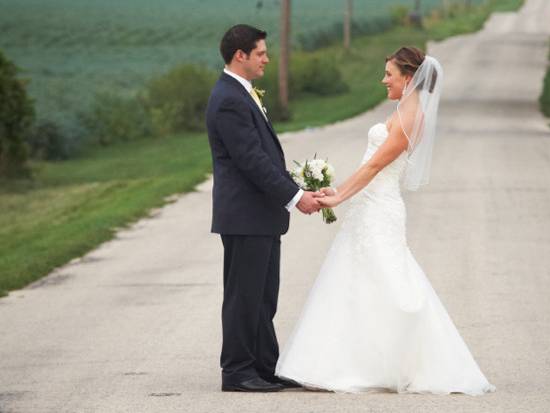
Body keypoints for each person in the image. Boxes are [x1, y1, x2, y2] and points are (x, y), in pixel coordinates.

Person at [275, 46, 497, 395]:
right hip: (369, 203)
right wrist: (339, 188)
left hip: (381, 208)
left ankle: (401, 360)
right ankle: (349, 358)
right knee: (357, 280)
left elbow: (377, 166)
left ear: (408, 79)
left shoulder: (412, 118)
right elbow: (370, 165)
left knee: (390, 281)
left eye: (389, 75)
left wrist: (339, 197)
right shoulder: (399, 109)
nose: (384, 80)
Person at [205, 24, 323, 393]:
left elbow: (264, 157)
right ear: (240, 55)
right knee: (244, 295)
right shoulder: (228, 98)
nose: (267, 59)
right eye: (261, 53)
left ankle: (264, 367)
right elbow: (251, 161)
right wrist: (294, 197)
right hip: (245, 216)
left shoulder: (243, 94)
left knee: (263, 295)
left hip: (261, 216)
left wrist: (295, 185)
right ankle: (237, 372)